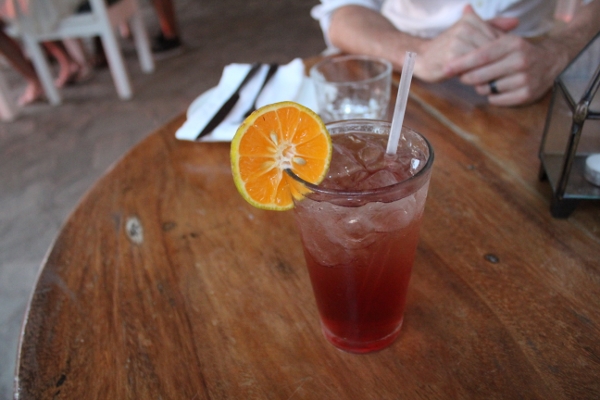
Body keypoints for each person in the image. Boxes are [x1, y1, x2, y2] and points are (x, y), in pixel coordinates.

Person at [311, 0, 600, 106]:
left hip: (533, 65)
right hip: (397, 59)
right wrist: (421, 53)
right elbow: (343, 13)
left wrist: (558, 54)